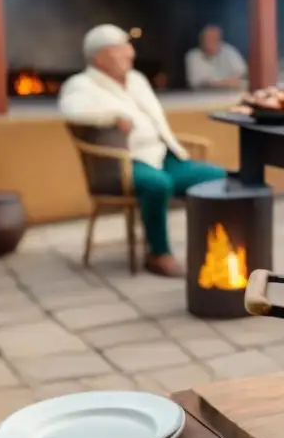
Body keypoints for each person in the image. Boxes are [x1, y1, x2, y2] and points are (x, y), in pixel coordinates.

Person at [60, 24, 227, 276]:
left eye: (128, 47)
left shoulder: (136, 80)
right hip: (125, 164)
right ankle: (158, 254)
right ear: (99, 57)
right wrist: (112, 116)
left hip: (163, 155)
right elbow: (71, 110)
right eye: (121, 49)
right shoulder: (82, 85)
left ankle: (216, 246)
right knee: (157, 185)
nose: (130, 53)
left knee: (217, 177)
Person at [185, 25, 247, 89]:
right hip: (203, 96)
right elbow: (195, 82)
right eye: (207, 38)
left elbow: (242, 73)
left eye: (214, 38)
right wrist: (223, 83)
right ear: (201, 40)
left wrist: (234, 81)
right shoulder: (193, 56)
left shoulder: (229, 51)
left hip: (230, 94)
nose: (210, 42)